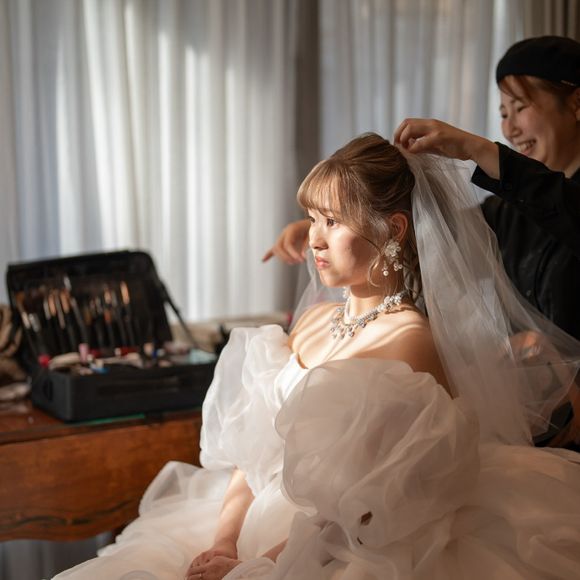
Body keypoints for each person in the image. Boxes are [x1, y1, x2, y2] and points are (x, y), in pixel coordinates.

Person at [53, 133, 580, 580]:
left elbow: (369, 507)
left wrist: (259, 565)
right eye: (312, 219)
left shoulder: (409, 341)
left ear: (393, 230)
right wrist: (224, 542)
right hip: (249, 521)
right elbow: (252, 455)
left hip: (339, 542)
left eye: (332, 221)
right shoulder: (310, 322)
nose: (314, 240)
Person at [265, 35, 580, 449]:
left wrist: (475, 148)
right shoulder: (506, 212)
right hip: (549, 422)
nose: (509, 128)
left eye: (520, 107)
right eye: (503, 113)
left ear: (576, 103)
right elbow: (431, 234)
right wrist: (328, 222)